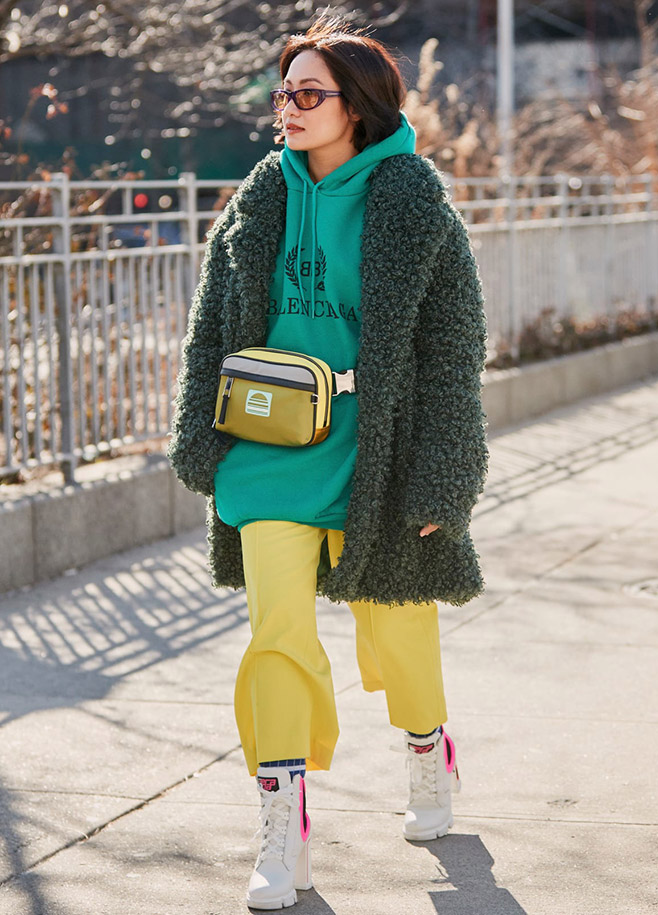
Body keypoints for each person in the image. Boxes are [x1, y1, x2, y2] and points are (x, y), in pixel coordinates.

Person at [168, 13, 489, 911]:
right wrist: (200, 436)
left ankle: (426, 747)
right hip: (269, 451)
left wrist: (444, 474)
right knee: (277, 637)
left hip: (377, 454)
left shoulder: (413, 204)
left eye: (310, 92)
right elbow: (210, 326)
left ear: (358, 106)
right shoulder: (257, 200)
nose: (290, 107)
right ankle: (283, 826)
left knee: (397, 629)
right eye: (284, 92)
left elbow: (453, 348)